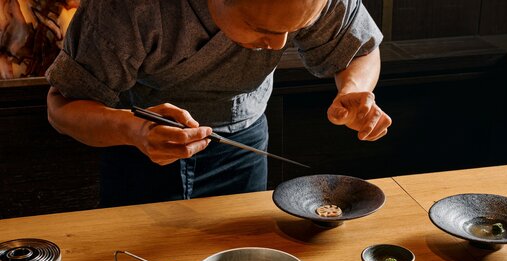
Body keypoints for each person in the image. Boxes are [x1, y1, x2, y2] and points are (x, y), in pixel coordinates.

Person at [46, 0, 392, 207]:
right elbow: (62, 107)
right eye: (261, 28)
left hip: (246, 144)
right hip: (139, 147)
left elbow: (359, 48)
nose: (279, 45)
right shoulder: (129, 8)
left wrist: (355, 91)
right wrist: (134, 130)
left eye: (296, 28)